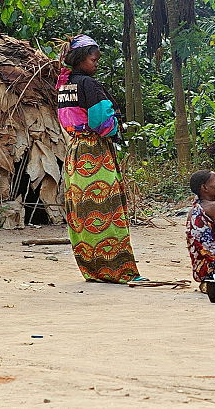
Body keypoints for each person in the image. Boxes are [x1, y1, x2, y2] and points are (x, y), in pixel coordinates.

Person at [57, 34, 139, 283]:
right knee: (106, 208)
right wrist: (113, 129)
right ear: (81, 58)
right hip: (94, 152)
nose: (96, 64)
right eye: (94, 59)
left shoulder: (64, 84)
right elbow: (101, 121)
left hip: (75, 152)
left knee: (83, 212)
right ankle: (118, 270)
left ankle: (92, 269)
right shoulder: (89, 84)